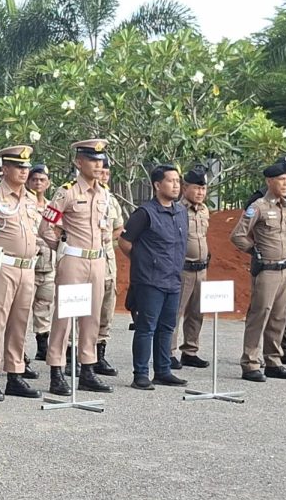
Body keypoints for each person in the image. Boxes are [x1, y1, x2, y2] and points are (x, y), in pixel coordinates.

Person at [37, 139, 115, 396]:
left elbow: (107, 228)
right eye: (92, 160)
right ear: (79, 162)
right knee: (64, 318)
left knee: (92, 317)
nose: (98, 165)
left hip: (97, 260)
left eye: (100, 160)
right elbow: (46, 226)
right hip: (73, 259)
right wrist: (61, 247)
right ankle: (57, 370)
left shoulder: (104, 193)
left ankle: (88, 369)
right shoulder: (67, 192)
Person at [0, 145, 41, 402]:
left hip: (27, 267)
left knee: (20, 322)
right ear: (5, 169)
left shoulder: (31, 199)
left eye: (26, 167)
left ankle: (15, 373)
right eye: (18, 166)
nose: (23, 171)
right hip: (3, 266)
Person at [117, 165, 189, 390]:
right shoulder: (145, 213)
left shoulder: (181, 212)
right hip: (150, 281)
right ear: (158, 185)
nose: (176, 185)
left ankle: (163, 371)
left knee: (167, 327)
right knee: (146, 328)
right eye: (171, 181)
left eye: (178, 181)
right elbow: (125, 242)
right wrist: (144, 262)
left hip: (173, 279)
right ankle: (140, 374)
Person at [230, 162, 286, 383]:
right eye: (281, 180)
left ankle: (273, 361)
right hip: (267, 269)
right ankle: (250, 362)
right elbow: (238, 235)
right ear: (269, 181)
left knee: (279, 316)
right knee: (260, 315)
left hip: (285, 268)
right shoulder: (258, 206)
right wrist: (255, 250)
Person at [245, 155, 286, 366]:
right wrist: (258, 252)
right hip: (267, 264)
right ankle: (253, 356)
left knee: (283, 311)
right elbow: (244, 232)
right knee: (262, 310)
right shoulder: (259, 201)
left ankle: (281, 350)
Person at [170, 165, 211, 370]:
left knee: (197, 312)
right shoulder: (177, 210)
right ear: (185, 187)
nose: (200, 192)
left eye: (203, 188)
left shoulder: (204, 210)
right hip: (183, 269)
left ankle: (190, 351)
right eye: (196, 188)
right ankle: (168, 352)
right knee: (175, 312)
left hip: (201, 269)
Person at [95, 156, 123, 376]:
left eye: (107, 173)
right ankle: (72, 354)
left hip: (107, 259)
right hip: (85, 258)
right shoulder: (74, 194)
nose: (103, 176)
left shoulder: (111, 200)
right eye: (101, 172)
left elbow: (119, 227)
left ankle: (99, 354)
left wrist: (106, 239)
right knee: (83, 309)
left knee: (106, 308)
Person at [26, 164, 54, 361]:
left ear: (48, 183)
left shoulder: (52, 208)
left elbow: (57, 230)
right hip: (28, 265)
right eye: (34, 179)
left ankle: (42, 347)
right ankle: (18, 353)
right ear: (28, 182)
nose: (38, 183)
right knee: (22, 310)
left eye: (42, 180)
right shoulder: (23, 204)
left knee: (44, 305)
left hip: (48, 265)